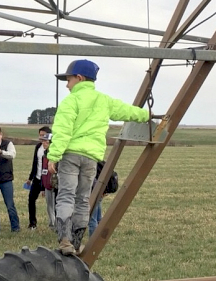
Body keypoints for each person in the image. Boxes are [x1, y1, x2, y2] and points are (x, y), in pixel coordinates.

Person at [47, 60, 149, 256]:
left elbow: (62, 130)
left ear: (79, 78)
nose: (67, 85)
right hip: (92, 158)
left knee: (66, 196)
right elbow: (128, 111)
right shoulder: (104, 100)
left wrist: (54, 156)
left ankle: (65, 240)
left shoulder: (71, 101)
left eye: (68, 80)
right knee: (83, 199)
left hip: (71, 155)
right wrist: (147, 115)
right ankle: (77, 244)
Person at [24, 126, 52, 230]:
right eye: (40, 135)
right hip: (37, 178)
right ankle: (32, 224)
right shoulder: (38, 147)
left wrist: (48, 148)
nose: (41, 137)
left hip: (49, 179)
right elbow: (35, 163)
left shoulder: (53, 147)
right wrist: (30, 178)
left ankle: (54, 224)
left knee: (51, 204)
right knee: (31, 200)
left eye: (43, 135)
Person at [39, 134, 56, 229]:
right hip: (47, 185)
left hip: (55, 185)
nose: (43, 143)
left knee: (56, 206)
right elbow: (43, 170)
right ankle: (52, 224)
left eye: (46, 141)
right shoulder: (44, 155)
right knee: (49, 206)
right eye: (43, 141)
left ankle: (58, 225)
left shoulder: (56, 155)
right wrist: (42, 187)